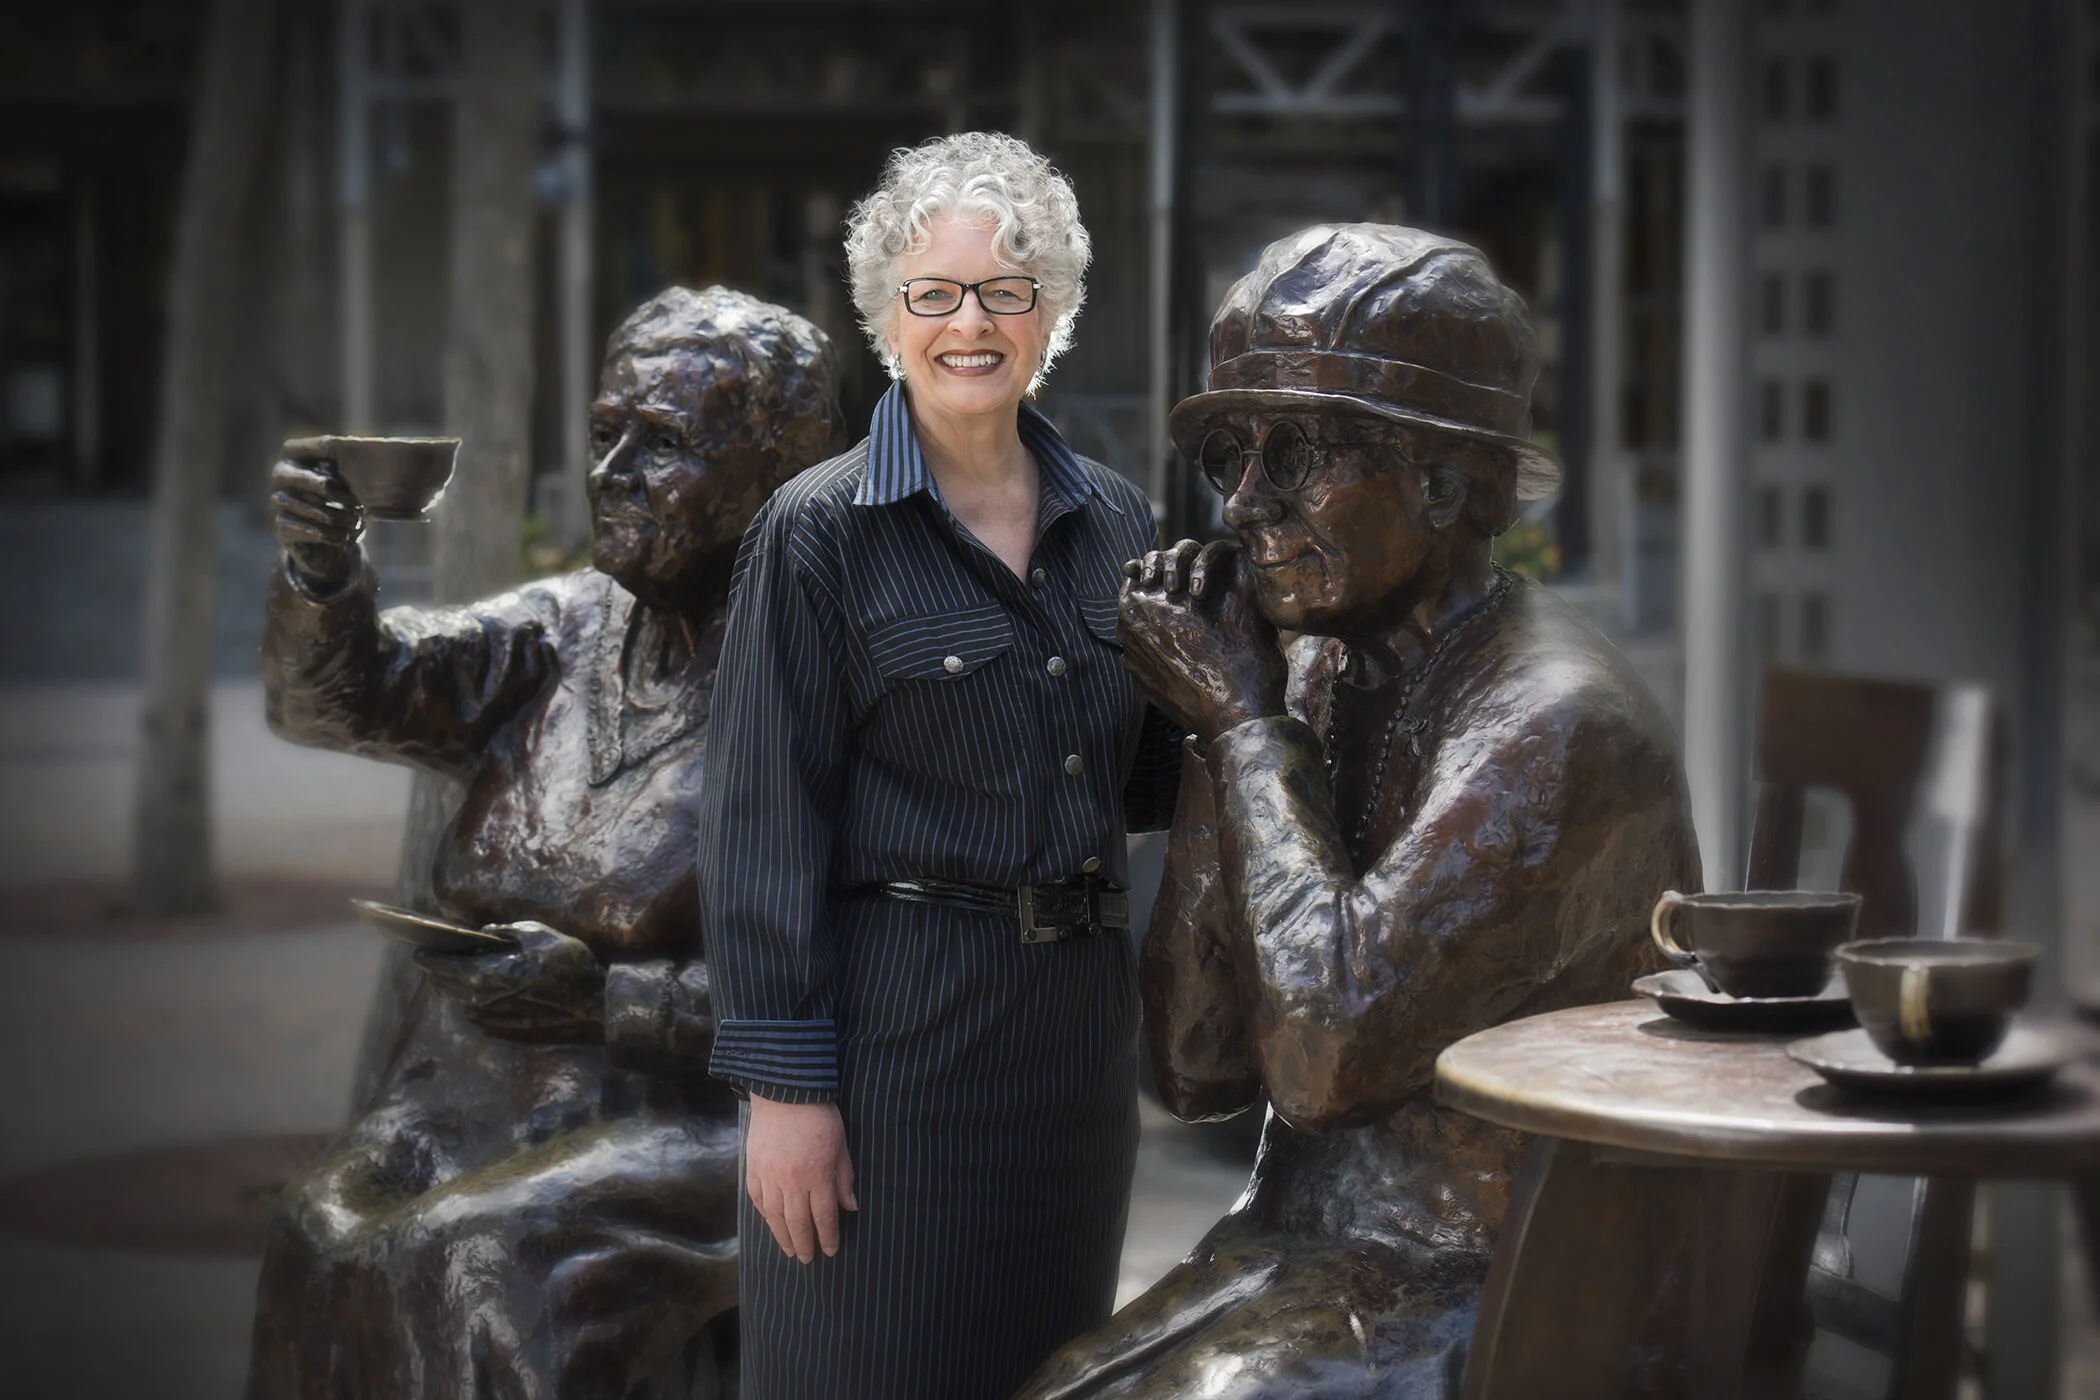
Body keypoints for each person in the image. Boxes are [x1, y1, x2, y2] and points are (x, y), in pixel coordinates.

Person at [1016, 223, 1702, 1398]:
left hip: (1522, 1280)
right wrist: (1214, 728)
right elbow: (1197, 1068)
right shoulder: (1321, 671)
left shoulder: (1559, 726)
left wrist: (1241, 723)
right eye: (1231, 454)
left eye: (1296, 453)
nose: (1245, 503)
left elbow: (1325, 1059)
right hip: (1317, 1246)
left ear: (1442, 479)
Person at [246, 286, 842, 1400]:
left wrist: (611, 1002)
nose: (611, 470)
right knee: (317, 1227)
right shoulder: (563, 627)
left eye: (662, 444)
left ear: (779, 479)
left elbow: (868, 983)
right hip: (474, 1089)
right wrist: (324, 576)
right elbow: (343, 696)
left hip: (697, 1112)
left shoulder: (825, 674)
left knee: (475, 1257)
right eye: (605, 430)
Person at [696, 131, 1182, 1400]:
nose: (971, 323)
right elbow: (761, 821)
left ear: (1051, 312)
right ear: (888, 316)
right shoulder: (816, 533)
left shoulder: (1117, 522)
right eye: (936, 292)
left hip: (1074, 1054)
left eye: (1007, 290)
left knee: (1045, 1374)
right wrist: (784, 1092)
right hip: (898, 1049)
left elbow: (1141, 780)